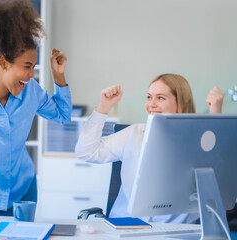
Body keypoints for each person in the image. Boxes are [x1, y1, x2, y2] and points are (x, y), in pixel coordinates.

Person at [0, 0, 72, 216]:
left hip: (22, 192)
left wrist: (58, 76)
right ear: (3, 62)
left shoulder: (31, 91)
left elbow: (63, 116)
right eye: (27, 66)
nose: (31, 74)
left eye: (34, 67)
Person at [75, 73, 223, 223]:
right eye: (148, 97)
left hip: (174, 229)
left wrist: (215, 118)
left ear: (181, 103)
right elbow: (86, 152)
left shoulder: (198, 140)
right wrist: (103, 108)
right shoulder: (134, 134)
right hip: (127, 225)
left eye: (160, 98)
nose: (151, 104)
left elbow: (216, 183)